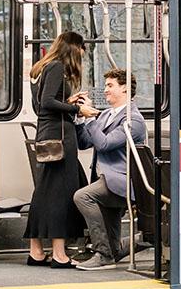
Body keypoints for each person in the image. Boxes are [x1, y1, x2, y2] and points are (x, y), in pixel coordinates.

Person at [24, 31, 96, 268]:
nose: (83, 54)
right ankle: (59, 253)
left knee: (45, 193)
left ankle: (36, 251)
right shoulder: (56, 67)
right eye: (82, 48)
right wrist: (78, 110)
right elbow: (47, 103)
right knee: (60, 196)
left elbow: (43, 105)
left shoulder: (42, 67)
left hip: (49, 133)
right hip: (60, 137)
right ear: (73, 48)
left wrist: (70, 100)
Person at [72, 68, 148, 271]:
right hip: (105, 179)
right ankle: (143, 240)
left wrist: (90, 119)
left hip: (123, 182)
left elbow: (104, 144)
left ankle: (103, 254)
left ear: (124, 88)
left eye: (110, 85)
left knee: (83, 196)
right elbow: (84, 143)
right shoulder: (106, 114)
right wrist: (81, 118)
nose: (105, 90)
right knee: (115, 248)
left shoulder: (133, 120)